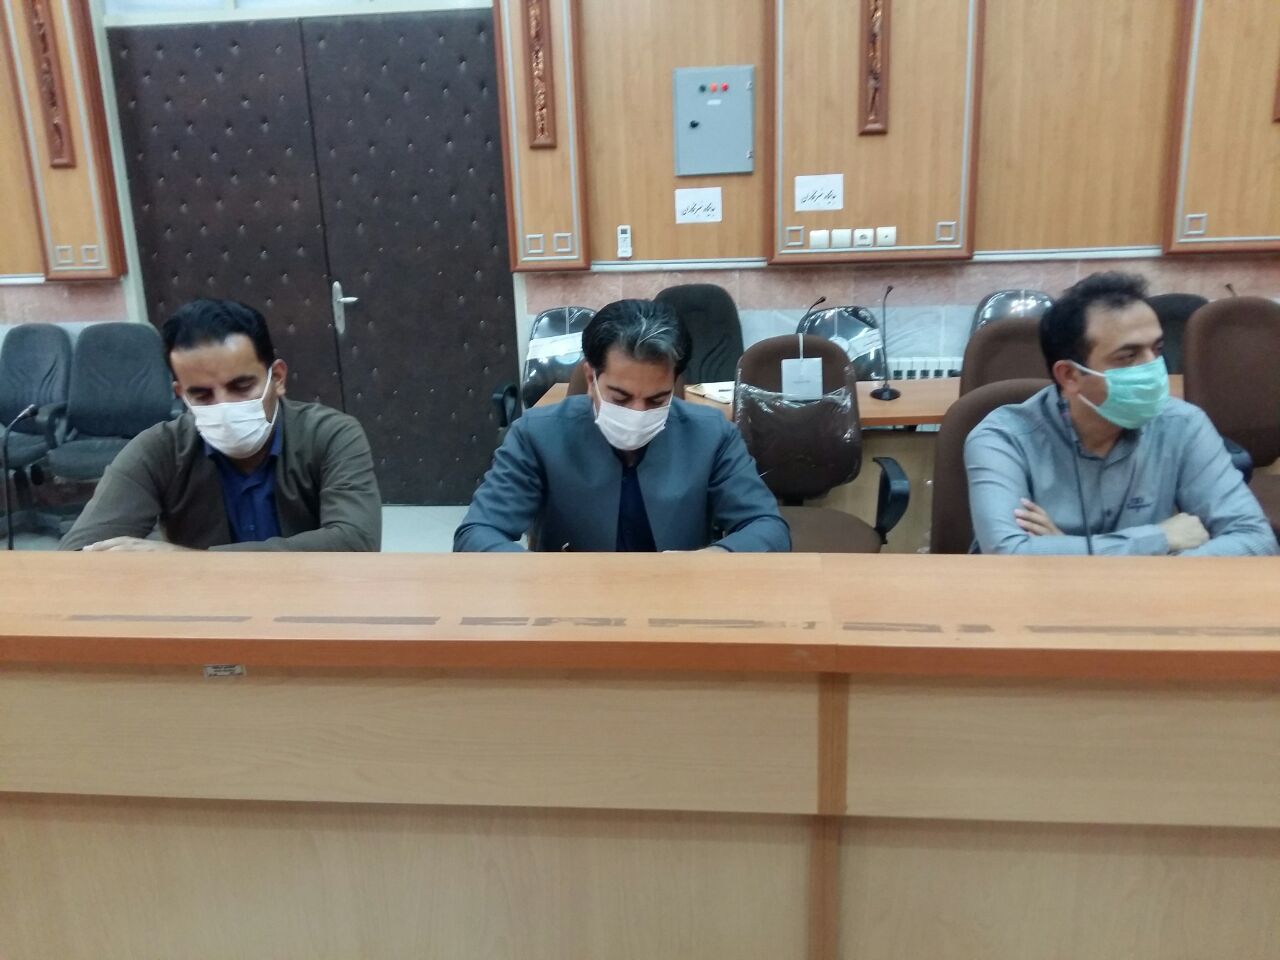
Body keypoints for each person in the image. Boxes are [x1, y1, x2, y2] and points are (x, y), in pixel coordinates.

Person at [965, 272, 1277, 556]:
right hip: (1032, 597)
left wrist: (1064, 551)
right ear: (1070, 376)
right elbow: (1009, 554)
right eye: (1128, 356)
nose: (1153, 367)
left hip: (1150, 597)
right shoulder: (1004, 439)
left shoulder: (1182, 424)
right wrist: (1159, 540)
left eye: (1157, 350)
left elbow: (1256, 539)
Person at [455, 298, 790, 552]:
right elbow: (477, 532)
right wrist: (542, 577)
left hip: (680, 596)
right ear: (591, 378)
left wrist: (714, 560)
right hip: (569, 603)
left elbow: (767, 527)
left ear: (674, 382)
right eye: (620, 397)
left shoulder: (711, 434)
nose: (638, 412)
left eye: (657, 399)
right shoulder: (537, 434)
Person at [60, 299, 381, 552]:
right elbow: (78, 554)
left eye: (241, 386)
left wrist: (189, 562)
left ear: (278, 378)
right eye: (201, 394)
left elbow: (355, 541)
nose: (223, 405)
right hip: (203, 608)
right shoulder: (159, 449)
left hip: (312, 599)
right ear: (181, 394)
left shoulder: (331, 434)